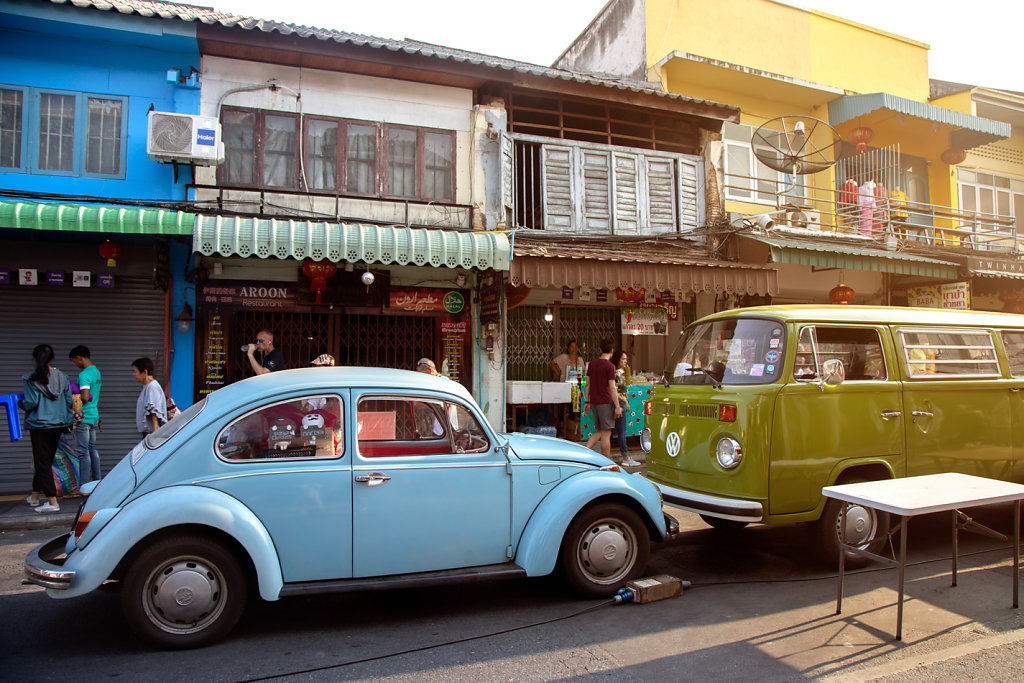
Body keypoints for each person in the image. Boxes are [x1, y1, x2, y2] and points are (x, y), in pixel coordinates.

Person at [21, 344, 74, 513]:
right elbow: (69, 403)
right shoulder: (62, 377)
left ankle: (52, 502)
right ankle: (35, 497)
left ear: (36, 359)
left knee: (42, 462)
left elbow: (30, 403)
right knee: (44, 459)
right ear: (52, 359)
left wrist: (19, 403)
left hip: (39, 425)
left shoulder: (31, 379)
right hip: (58, 425)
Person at [583, 339, 621, 461]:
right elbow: (612, 388)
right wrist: (617, 406)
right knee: (606, 434)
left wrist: (587, 401)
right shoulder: (610, 367)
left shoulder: (592, 364)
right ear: (612, 351)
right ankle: (607, 462)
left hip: (594, 402)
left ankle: (585, 450)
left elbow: (587, 384)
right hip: (605, 402)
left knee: (600, 430)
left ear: (600, 350)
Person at [68, 345, 101, 484]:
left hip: (84, 417)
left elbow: (85, 397)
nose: (75, 364)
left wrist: (73, 393)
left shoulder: (84, 374)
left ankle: (84, 484)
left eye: (74, 361)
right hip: (94, 415)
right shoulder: (96, 372)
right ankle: (97, 481)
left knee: (83, 452)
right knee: (92, 449)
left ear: (79, 358)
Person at [610, 350, 641, 467]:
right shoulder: (616, 374)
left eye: (626, 359)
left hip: (618, 403)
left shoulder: (620, 373)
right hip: (618, 403)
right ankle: (625, 456)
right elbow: (615, 391)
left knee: (616, 431)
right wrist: (624, 401)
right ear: (618, 360)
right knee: (621, 431)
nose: (625, 361)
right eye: (623, 359)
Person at [132, 357, 167, 436]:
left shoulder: (152, 387)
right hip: (149, 433)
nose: (134, 374)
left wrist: (155, 434)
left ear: (145, 372)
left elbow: (154, 411)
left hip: (152, 434)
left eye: (135, 371)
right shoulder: (147, 386)